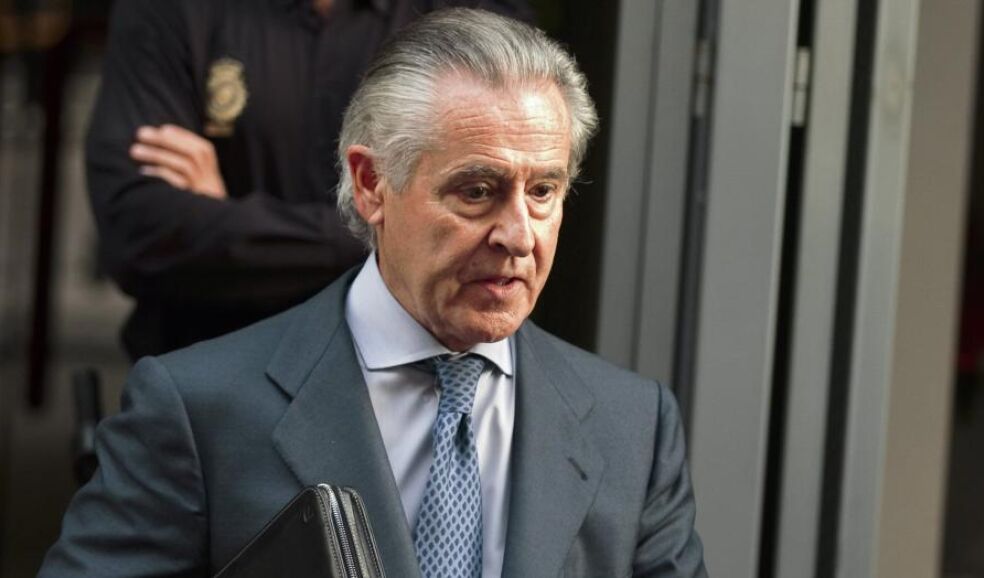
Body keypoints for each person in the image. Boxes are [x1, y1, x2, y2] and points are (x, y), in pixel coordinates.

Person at [40, 8, 707, 577]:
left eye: (543, 191)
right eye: (477, 191)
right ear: (370, 184)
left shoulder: (635, 429)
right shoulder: (197, 412)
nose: (517, 235)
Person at [88, 0, 532, 359]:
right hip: (206, 385)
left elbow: (497, 231)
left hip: (413, 385)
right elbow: (137, 232)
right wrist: (401, 231)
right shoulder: (172, 9)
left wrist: (226, 223)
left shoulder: (471, 12)